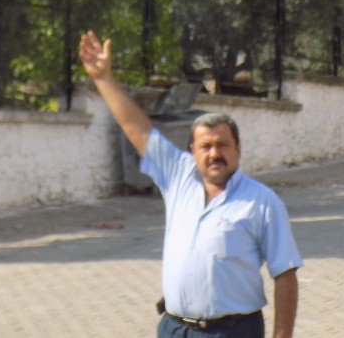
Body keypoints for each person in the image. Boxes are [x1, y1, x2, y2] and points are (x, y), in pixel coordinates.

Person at [79, 31, 302, 338]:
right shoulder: (178, 176)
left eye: (223, 145)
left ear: (238, 149)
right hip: (174, 328)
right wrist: (104, 78)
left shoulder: (262, 202)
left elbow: (285, 275)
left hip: (233, 331)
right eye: (206, 147)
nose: (214, 154)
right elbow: (138, 130)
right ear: (192, 153)